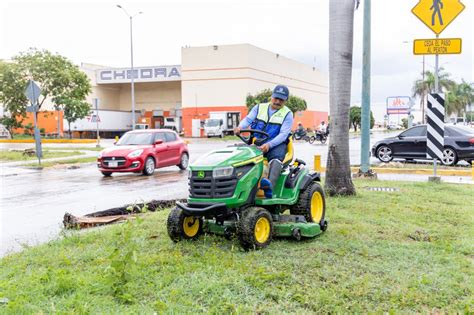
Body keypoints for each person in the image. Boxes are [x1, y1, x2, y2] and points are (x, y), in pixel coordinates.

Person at [234, 85, 294, 198]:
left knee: (276, 159)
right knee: (240, 154)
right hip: (257, 142)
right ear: (271, 96)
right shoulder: (259, 108)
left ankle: (269, 187)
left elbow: (283, 134)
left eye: (281, 99)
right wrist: (240, 127)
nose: (277, 101)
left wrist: (269, 145)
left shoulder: (288, 114)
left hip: (276, 145)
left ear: (285, 100)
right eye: (276, 98)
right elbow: (248, 119)